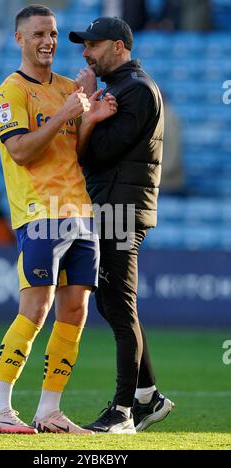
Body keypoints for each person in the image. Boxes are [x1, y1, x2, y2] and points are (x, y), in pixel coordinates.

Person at [0, 4, 117, 435]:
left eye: (54, 34)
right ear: (19, 39)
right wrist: (65, 114)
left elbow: (69, 152)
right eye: (39, 34)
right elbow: (21, 151)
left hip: (79, 211)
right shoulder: (9, 93)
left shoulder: (66, 87)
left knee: (75, 311)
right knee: (36, 309)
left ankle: (49, 412)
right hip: (39, 212)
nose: (49, 42)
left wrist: (89, 120)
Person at [69, 16, 174, 433]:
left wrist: (87, 110)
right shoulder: (120, 89)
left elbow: (101, 155)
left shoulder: (136, 90)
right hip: (112, 204)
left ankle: (123, 411)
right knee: (112, 302)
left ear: (119, 46)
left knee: (118, 303)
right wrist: (91, 108)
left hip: (122, 208)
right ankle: (148, 397)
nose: (85, 52)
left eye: (93, 45)